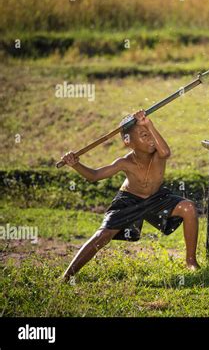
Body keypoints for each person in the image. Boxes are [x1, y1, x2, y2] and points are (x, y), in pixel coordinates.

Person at [61, 109, 200, 282]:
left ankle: (191, 261)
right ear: (128, 141)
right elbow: (94, 176)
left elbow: (166, 152)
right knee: (102, 235)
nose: (150, 139)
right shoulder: (124, 162)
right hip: (129, 201)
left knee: (188, 207)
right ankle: (67, 275)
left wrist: (148, 124)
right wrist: (76, 164)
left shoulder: (158, 155)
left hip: (156, 197)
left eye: (150, 133)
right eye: (144, 135)